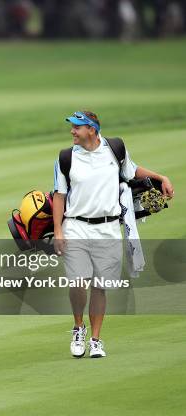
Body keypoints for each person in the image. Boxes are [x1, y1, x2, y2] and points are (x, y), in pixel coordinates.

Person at [53, 110, 174, 358]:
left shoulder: (114, 149)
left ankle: (96, 339)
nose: (72, 131)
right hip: (75, 226)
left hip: (108, 229)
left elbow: (132, 171)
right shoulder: (66, 157)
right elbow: (59, 194)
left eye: (77, 127)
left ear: (91, 129)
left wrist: (160, 177)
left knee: (100, 286)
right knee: (78, 282)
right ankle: (79, 327)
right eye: (72, 127)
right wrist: (57, 230)